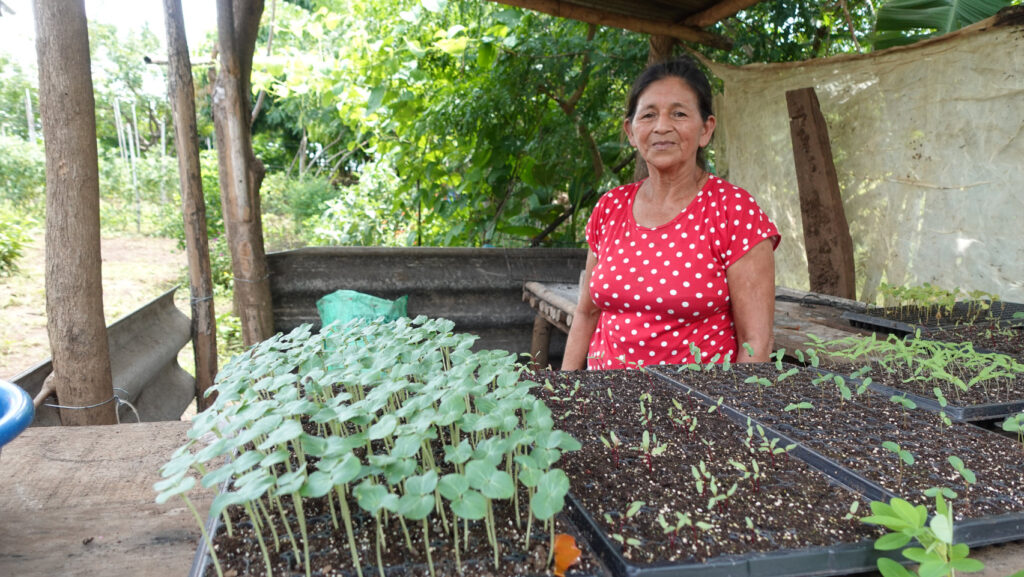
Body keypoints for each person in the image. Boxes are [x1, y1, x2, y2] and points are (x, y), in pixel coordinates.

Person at [562, 56, 780, 370]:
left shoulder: (733, 210)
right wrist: (563, 390)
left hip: (698, 399)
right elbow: (586, 314)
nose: (662, 126)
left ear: (706, 129)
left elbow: (756, 343)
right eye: (648, 115)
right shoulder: (610, 208)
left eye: (678, 113)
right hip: (603, 396)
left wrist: (734, 404)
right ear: (631, 131)